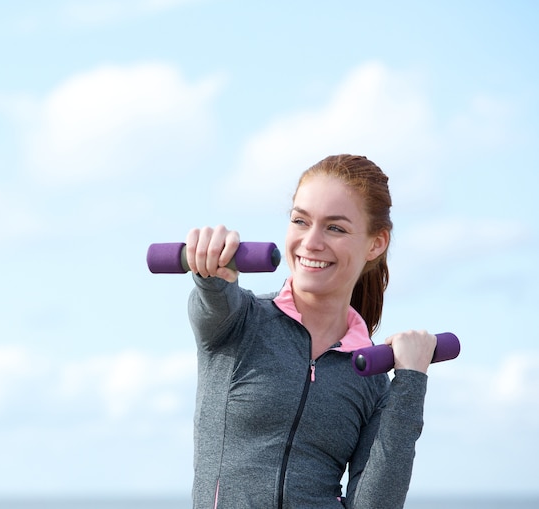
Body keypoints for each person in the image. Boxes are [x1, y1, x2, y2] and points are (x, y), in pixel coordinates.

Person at [184, 154, 437, 509]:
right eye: (301, 221)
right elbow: (213, 298)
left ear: (375, 244)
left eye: (335, 228)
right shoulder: (238, 322)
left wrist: (409, 382)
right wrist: (209, 271)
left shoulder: (371, 376)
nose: (312, 242)